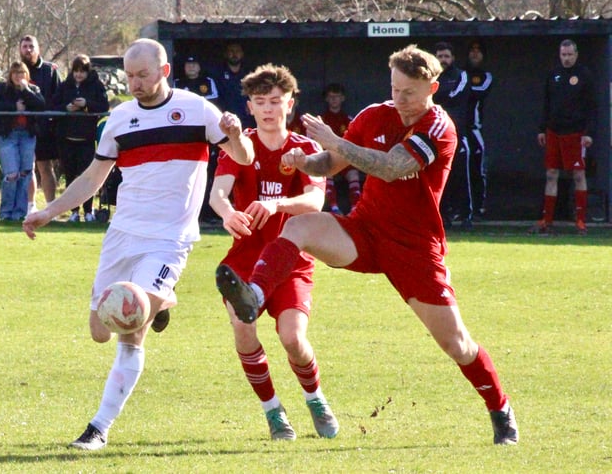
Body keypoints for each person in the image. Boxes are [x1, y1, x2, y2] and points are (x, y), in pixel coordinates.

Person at [215, 44, 519, 446]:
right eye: (394, 89)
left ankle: (500, 409)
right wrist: (303, 161)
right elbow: (329, 165)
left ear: (433, 87)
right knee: (301, 227)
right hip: (365, 232)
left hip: (413, 249)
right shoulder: (375, 114)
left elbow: (392, 167)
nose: (400, 99)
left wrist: (334, 141)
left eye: (408, 92)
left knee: (457, 344)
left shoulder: (439, 127)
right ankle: (254, 294)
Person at [22, 38, 254, 451]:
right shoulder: (119, 119)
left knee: (132, 327)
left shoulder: (197, 109)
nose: (135, 83)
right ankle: (162, 300)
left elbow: (245, 156)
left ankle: (98, 428)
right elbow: (93, 178)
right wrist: (48, 210)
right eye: (129, 76)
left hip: (169, 239)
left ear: (164, 71)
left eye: (143, 75)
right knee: (99, 331)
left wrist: (235, 137)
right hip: (123, 234)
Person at [210, 63, 337, 441]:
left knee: (293, 339)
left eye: (275, 101)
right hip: (243, 261)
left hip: (290, 260)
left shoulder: (304, 148)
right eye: (260, 101)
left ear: (290, 105)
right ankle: (273, 412)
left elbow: (315, 200)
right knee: (242, 329)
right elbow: (217, 192)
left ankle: (315, 399)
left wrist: (277, 204)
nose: (268, 108)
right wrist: (227, 212)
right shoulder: (238, 144)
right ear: (249, 106)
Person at [530, 39, 597, 236]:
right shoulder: (553, 75)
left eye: (570, 55)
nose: (566, 58)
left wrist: (590, 133)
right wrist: (542, 128)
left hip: (576, 133)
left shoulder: (584, 75)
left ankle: (581, 222)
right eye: (563, 55)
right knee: (551, 174)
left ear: (576, 54)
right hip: (554, 132)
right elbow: (546, 103)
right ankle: (546, 220)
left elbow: (593, 107)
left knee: (578, 175)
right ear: (560, 55)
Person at [53, 54, 110, 222]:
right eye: (76, 71)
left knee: (88, 177)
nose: (78, 75)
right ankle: (74, 212)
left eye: (82, 71)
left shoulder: (96, 86)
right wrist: (66, 108)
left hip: (86, 140)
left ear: (87, 71)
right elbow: (53, 105)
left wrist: (86, 105)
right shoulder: (65, 86)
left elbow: (103, 106)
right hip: (67, 139)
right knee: (70, 177)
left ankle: (88, 210)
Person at [0, 61, 46, 221]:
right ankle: (6, 213)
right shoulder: (2, 89)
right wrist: (13, 107)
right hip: (7, 135)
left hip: (27, 135)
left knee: (25, 172)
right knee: (11, 174)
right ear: (10, 75)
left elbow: (41, 105)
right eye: (15, 73)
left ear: (27, 75)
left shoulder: (33, 89)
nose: (18, 76)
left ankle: (20, 213)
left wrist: (26, 90)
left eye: (22, 73)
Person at [174, 54, 221, 225]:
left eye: (194, 64)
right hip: (184, 137)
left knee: (209, 175)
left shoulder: (208, 82)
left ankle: (208, 213)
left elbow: (212, 106)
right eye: (188, 64)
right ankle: (190, 214)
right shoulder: (177, 83)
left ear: (199, 67)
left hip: (206, 136)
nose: (191, 68)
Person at [20, 35, 62, 213]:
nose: (28, 50)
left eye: (31, 46)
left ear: (38, 49)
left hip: (44, 128)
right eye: (24, 47)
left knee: (45, 167)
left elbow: (58, 97)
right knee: (26, 168)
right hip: (22, 127)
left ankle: (51, 208)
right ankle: (30, 207)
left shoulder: (50, 70)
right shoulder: (17, 69)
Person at [433, 41, 472, 229]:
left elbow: (453, 96)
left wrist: (437, 96)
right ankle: (442, 215)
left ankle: (467, 215)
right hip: (434, 138)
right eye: (440, 56)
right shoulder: (429, 76)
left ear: (453, 58)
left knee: (462, 176)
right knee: (439, 177)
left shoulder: (461, 75)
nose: (443, 60)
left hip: (457, 134)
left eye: (446, 56)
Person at [319, 83, 361, 215]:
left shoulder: (349, 120)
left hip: (344, 159)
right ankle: (334, 208)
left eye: (336, 97)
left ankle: (355, 208)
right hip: (329, 158)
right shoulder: (322, 120)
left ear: (342, 98)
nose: (333, 100)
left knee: (353, 174)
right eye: (330, 97)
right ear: (326, 99)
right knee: (327, 174)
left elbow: (356, 142)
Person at [465, 39, 493, 220]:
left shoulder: (485, 76)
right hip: (456, 129)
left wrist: (461, 88)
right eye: (472, 51)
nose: (475, 54)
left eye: (479, 51)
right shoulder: (460, 73)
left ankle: (478, 207)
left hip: (474, 129)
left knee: (478, 169)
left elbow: (480, 91)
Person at [214, 42, 255, 128]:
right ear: (226, 54)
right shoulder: (218, 73)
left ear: (242, 54)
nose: (234, 54)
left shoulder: (250, 73)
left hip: (246, 119)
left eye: (237, 51)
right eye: (231, 51)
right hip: (225, 119)